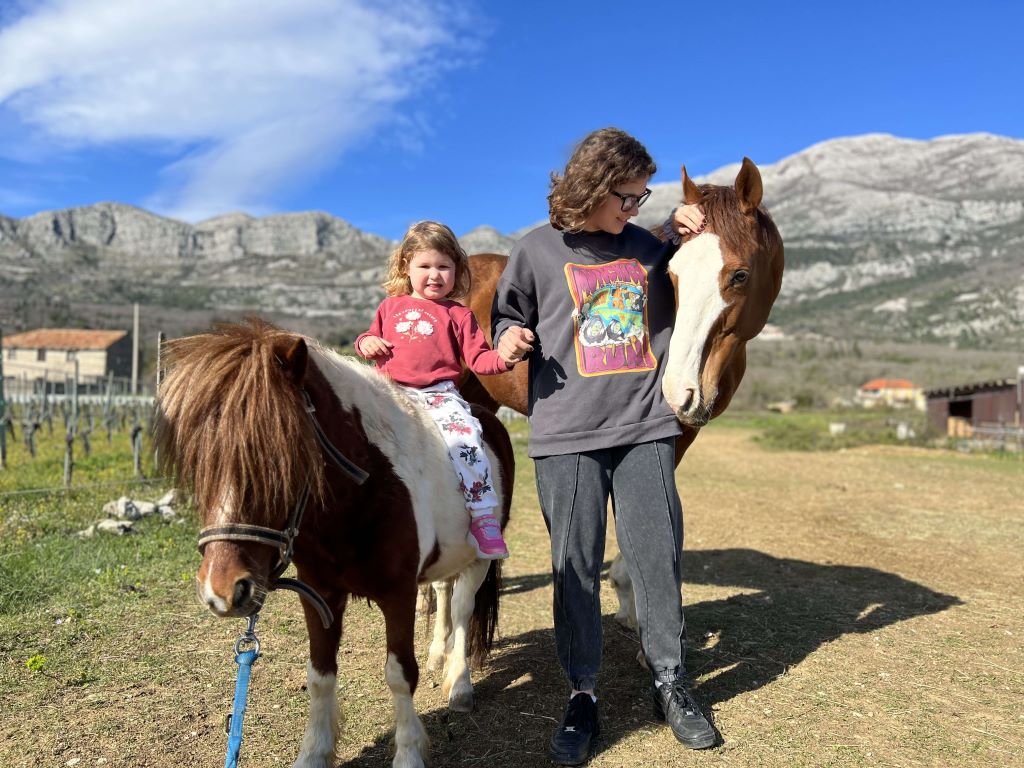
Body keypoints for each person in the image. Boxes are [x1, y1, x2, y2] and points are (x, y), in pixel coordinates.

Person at [491, 127, 714, 762]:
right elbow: (509, 315)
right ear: (593, 185)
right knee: (576, 566)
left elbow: (697, 268)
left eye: (643, 195)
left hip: (644, 426)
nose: (635, 207)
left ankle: (670, 679)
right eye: (628, 194)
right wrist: (509, 339)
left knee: (656, 557)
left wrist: (680, 222)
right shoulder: (535, 250)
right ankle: (582, 693)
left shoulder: (649, 246)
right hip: (565, 433)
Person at [356, 220, 519, 559]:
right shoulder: (390, 307)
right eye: (425, 266)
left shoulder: (458, 315)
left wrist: (504, 359)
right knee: (358, 441)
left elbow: (479, 360)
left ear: (457, 270)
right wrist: (366, 342)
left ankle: (483, 517)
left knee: (467, 442)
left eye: (444, 266)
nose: (435, 274)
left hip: (440, 394)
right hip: (390, 392)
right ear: (406, 266)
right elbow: (368, 338)